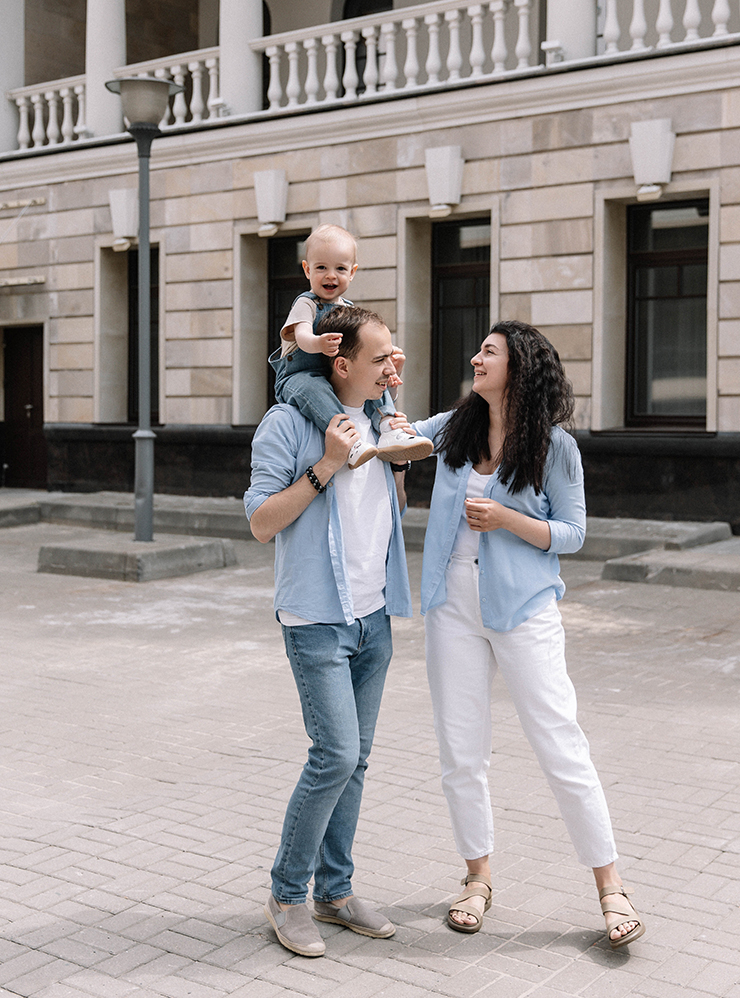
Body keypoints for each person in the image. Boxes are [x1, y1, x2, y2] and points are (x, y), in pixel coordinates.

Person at [408, 320, 645, 950]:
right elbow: (399, 438)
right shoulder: (455, 426)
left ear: (521, 366)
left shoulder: (555, 446)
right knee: (461, 751)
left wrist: (508, 518)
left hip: (525, 610)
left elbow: (572, 533)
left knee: (560, 745)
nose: (475, 358)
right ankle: (476, 878)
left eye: (488, 351)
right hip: (451, 605)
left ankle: (611, 886)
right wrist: (378, 387)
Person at [245, 306, 414, 958]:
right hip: (316, 619)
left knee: (357, 761)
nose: (392, 367)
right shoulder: (287, 424)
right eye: (380, 359)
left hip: (374, 617)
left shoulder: (379, 418)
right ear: (340, 363)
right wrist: (326, 464)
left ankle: (334, 892)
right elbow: (261, 521)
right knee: (335, 755)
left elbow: (391, 511)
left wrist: (398, 459)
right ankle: (287, 894)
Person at [271, 223, 433, 468]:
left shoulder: (348, 309)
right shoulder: (306, 304)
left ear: (353, 272)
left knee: (368, 381)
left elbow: (362, 351)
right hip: (299, 375)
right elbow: (302, 335)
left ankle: (388, 426)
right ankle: (349, 442)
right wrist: (318, 343)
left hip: (333, 375)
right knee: (315, 391)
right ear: (307, 269)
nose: (331, 275)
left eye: (340, 268)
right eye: (321, 267)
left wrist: (385, 360)